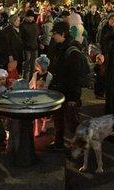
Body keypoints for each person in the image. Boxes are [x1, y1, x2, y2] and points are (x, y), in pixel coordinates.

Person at [47, 21, 82, 151]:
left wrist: (74, 97)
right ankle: (58, 142)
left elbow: (75, 76)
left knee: (72, 121)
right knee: (58, 118)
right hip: (59, 89)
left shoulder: (72, 51)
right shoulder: (59, 46)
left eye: (55, 34)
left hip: (68, 91)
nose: (53, 36)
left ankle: (81, 144)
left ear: (62, 34)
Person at [29, 54, 53, 136]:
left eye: (37, 65)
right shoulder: (35, 74)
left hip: (45, 97)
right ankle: (36, 129)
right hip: (36, 96)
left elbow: (50, 87)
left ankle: (44, 126)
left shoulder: (49, 76)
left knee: (45, 114)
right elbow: (31, 84)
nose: (36, 66)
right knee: (36, 115)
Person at [20, 9, 38, 81]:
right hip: (27, 48)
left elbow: (36, 35)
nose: (30, 18)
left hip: (35, 47)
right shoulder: (23, 25)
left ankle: (31, 80)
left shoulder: (34, 24)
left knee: (33, 66)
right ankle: (25, 81)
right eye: (29, 17)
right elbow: (21, 37)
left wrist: (39, 43)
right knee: (27, 66)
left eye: (32, 17)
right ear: (26, 17)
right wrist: (26, 45)